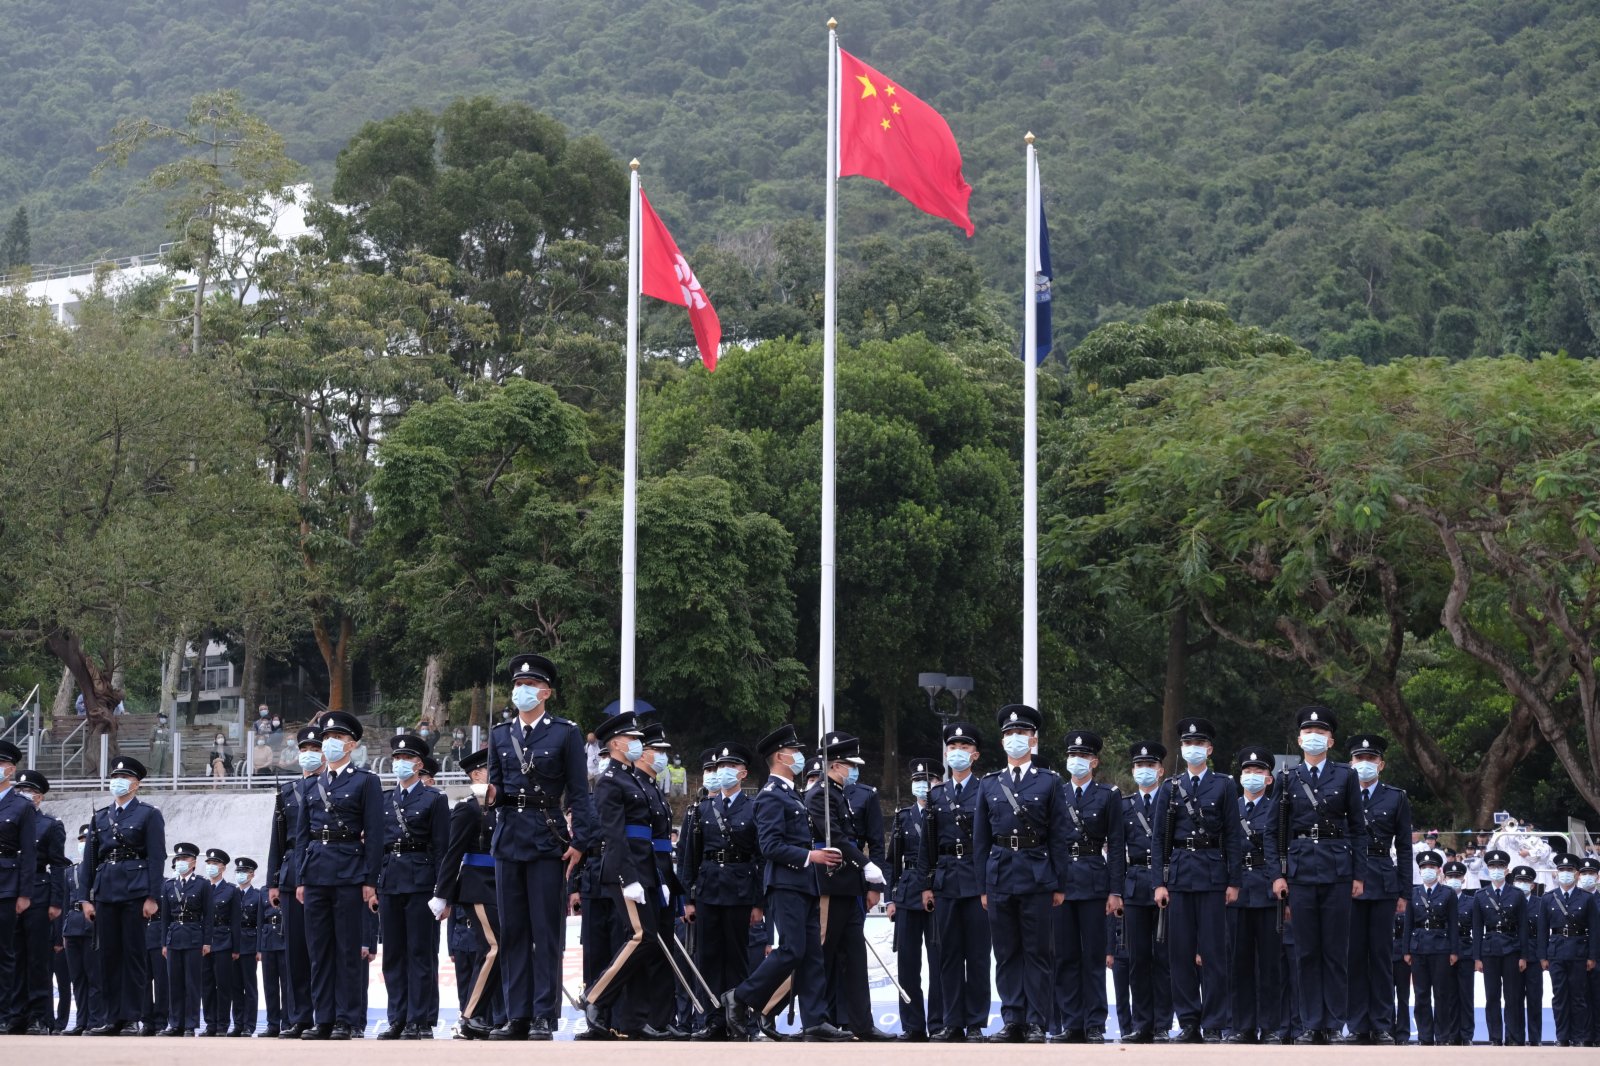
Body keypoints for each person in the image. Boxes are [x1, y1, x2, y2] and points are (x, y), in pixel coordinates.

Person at [485, 653, 596, 1041]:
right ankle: (517, 1014)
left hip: (548, 839)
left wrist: (581, 841)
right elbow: (496, 791)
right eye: (518, 685)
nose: (522, 691)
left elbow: (579, 793)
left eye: (530, 685)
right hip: (508, 839)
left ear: (546, 692)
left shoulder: (564, 733)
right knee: (513, 930)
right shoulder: (500, 734)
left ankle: (544, 1015)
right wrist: (488, 795)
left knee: (545, 931)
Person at [721, 722, 852, 1042]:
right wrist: (812, 856)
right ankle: (740, 996)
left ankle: (815, 1020)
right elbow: (770, 846)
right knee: (792, 950)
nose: (799, 757)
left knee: (812, 955)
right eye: (794, 751)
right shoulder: (770, 796)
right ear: (780, 756)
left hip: (805, 884)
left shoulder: (791, 795)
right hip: (785, 883)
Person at [973, 704, 1071, 1044]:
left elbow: (1059, 836)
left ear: (1033, 740)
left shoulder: (1050, 781)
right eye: (1010, 733)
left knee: (1037, 952)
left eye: (1022, 733)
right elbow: (980, 840)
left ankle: (1036, 1021)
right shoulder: (990, 783)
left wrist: (1059, 882)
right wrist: (982, 886)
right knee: (1006, 953)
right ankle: (1012, 1018)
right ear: (1003, 742)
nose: (1015, 738)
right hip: (1000, 874)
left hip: (1037, 875)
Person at [1270, 706, 1368, 1045]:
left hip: (1337, 870)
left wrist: (1358, 873)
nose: (1314, 737)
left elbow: (1358, 828)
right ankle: (1311, 1023)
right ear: (1299, 740)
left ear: (1331, 740)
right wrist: (1278, 875)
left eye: (1321, 732)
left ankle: (1334, 1023)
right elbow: (1273, 831)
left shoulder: (1346, 776)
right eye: (1308, 732)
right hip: (1299, 872)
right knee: (1307, 951)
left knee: (1335, 951)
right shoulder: (1286, 778)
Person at [576, 710, 675, 1039]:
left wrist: (656, 877)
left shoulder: (633, 779)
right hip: (626, 869)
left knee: (645, 940)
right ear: (616, 744)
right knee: (640, 937)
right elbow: (614, 835)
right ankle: (595, 997)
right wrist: (627, 877)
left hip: (645, 867)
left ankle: (631, 1017)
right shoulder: (609, 781)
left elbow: (648, 834)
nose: (637, 744)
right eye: (632, 739)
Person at [294, 710, 384, 1040]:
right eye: (327, 738)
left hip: (349, 871)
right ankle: (324, 1018)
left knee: (347, 950)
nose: (330, 743)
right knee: (318, 951)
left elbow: (375, 834)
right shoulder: (313, 784)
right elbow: (302, 835)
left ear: (352, 744)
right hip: (316, 872)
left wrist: (370, 880)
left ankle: (346, 1018)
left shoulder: (366, 781)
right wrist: (300, 878)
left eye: (337, 738)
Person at [1154, 717, 1244, 1043]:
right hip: (1179, 876)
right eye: (1187, 743)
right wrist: (1159, 882)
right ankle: (1189, 1021)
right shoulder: (1170, 787)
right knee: (1180, 954)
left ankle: (1215, 1022)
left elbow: (1233, 835)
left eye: (1198, 743)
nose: (1192, 748)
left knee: (1214, 953)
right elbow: (1159, 839)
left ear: (1209, 749)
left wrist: (1234, 881)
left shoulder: (1224, 785)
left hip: (1212, 875)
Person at [808, 732, 889, 1041]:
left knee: (855, 958)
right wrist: (865, 863)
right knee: (822, 954)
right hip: (830, 882)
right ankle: (815, 1019)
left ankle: (862, 1024)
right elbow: (837, 838)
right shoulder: (820, 794)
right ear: (836, 764)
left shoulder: (838, 793)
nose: (853, 770)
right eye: (849, 765)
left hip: (849, 884)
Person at [678, 744, 761, 1041]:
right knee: (709, 957)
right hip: (708, 889)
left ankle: (739, 1019)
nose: (724, 771)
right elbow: (690, 856)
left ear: (743, 773)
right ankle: (712, 1020)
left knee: (737, 957)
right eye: (721, 766)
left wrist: (758, 902)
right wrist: (688, 899)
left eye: (731, 766)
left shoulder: (753, 807)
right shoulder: (702, 809)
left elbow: (760, 856)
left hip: (740, 889)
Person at [376, 733, 451, 1040]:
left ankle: (418, 1019)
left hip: (421, 882)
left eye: (406, 758)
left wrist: (442, 893)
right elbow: (378, 846)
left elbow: (442, 849)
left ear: (419, 764)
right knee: (393, 954)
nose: (400, 763)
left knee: (420, 953)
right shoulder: (384, 799)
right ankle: (397, 1017)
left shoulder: (434, 799)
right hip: (390, 880)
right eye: (397, 758)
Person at [1050, 729, 1123, 1043]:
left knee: (1093, 957)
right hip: (1063, 882)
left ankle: (1094, 1023)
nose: (1076, 760)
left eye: (1082, 755)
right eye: (1072, 755)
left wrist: (1115, 890)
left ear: (1094, 761)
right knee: (1065, 956)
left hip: (1094, 880)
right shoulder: (1056, 792)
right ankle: (1072, 1023)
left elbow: (1116, 846)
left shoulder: (1108, 795)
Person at [919, 721, 990, 1043]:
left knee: (977, 956)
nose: (957, 752)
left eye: (964, 747)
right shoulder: (936, 794)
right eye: (952, 747)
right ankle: (952, 1022)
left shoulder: (986, 789)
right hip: (946, 880)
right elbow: (928, 844)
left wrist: (989, 884)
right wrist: (926, 884)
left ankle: (975, 1022)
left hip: (976, 881)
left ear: (975, 754)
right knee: (947, 955)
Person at [83, 754, 164, 1035]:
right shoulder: (100, 816)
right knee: (108, 956)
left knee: (133, 955)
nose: (118, 781)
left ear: (136, 784)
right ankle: (111, 1017)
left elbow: (156, 858)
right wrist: (84, 898)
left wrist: (153, 897)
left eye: (124, 777)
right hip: (105, 890)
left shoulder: (149, 814)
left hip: (135, 890)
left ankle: (130, 1017)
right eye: (115, 777)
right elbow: (90, 860)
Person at [1345, 733, 1412, 1044]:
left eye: (1371, 759)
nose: (1365, 763)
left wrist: (1405, 892)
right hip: (1350, 882)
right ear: (1351, 763)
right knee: (1354, 957)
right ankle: (1358, 1024)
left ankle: (1382, 1024)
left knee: (1382, 957)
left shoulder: (1395, 797)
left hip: (1384, 881)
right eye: (1359, 759)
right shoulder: (1341, 795)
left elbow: (1405, 848)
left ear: (1381, 764)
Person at [435, 747, 503, 1039]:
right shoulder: (468, 808)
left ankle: (487, 1016)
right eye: (491, 770)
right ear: (476, 775)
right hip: (478, 886)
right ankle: (470, 1016)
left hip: (503, 886)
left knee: (495, 950)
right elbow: (453, 854)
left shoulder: (503, 806)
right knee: (493, 947)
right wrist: (442, 894)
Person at [266, 725, 321, 1038]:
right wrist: (272, 880)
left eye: (315, 749)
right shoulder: (286, 792)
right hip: (290, 874)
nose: (309, 755)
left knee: (321, 950)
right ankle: (299, 1016)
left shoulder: (331, 786)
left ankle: (326, 1015)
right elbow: (277, 838)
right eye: (304, 750)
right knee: (295, 951)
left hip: (323, 870)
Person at [1226, 745, 1282, 1045]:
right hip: (1237, 892)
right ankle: (1243, 1026)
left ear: (1269, 778)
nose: (1252, 775)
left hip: (1267, 890)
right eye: (1247, 771)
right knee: (1239, 962)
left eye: (1258, 771)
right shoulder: (1230, 808)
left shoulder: (1277, 808)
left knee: (1270, 964)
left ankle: (1270, 1026)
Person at [1119, 740, 1173, 1043]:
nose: (1144, 770)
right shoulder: (1124, 805)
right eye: (1139, 765)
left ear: (1161, 770)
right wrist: (1116, 890)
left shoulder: (1172, 802)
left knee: (1163, 958)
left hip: (1166, 883)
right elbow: (1118, 851)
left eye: (1150, 765)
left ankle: (1163, 1024)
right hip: (1136, 884)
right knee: (1138, 959)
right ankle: (1142, 1024)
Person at [886, 757, 942, 1042]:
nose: (922, 786)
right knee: (908, 964)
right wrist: (890, 898)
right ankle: (913, 1025)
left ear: (938, 783)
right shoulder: (903, 816)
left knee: (939, 962)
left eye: (928, 780)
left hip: (936, 894)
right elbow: (892, 861)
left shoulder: (943, 813)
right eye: (918, 781)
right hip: (907, 894)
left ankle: (939, 1023)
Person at [10, 768, 66, 1035]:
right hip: (11, 891)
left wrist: (56, 901)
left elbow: (58, 865)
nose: (23, 795)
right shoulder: (8, 819)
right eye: (20, 790)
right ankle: (15, 1013)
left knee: (37, 958)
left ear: (39, 797)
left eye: (29, 791)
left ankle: (39, 1016)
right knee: (13, 956)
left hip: (39, 894)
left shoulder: (50, 825)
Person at [1404, 849, 1459, 1046]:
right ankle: (1425, 1036)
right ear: (1420, 870)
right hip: (1419, 947)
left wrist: (1454, 950)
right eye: (1424, 867)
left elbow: (1453, 924)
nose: (1428, 870)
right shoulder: (1413, 893)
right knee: (1421, 994)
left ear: (1438, 870)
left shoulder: (1448, 893)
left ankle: (1442, 1036)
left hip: (1441, 946)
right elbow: (1408, 924)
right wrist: (1406, 950)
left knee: (1441, 994)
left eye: (1432, 867)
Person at [1537, 853, 1593, 1047]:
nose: (1565, 873)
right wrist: (1542, 956)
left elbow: (1594, 930)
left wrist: (1592, 956)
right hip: (1556, 952)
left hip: (1578, 951)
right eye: (1562, 870)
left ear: (1577, 874)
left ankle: (1579, 1036)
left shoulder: (1586, 898)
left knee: (1578, 996)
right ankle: (1562, 1036)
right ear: (1556, 873)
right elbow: (1542, 930)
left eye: (1569, 870)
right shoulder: (1548, 898)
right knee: (1559, 996)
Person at [1472, 848, 1526, 1046]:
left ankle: (1513, 1037)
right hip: (1490, 949)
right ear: (1487, 869)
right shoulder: (1480, 895)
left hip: (1511, 947)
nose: (1496, 869)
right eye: (1492, 866)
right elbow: (1477, 928)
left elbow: (1523, 927)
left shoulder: (1517, 894)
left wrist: (1523, 955)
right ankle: (1495, 1037)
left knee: (1512, 996)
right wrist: (1477, 957)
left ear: (1507, 869)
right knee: (1492, 996)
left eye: (1500, 866)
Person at [158, 843, 211, 1036]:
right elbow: (165, 917)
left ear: (193, 862)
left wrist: (207, 941)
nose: (181, 862)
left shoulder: (202, 884)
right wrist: (164, 942)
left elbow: (208, 915)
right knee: (174, 982)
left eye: (185, 859)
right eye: (178, 859)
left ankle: (190, 1024)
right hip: (174, 937)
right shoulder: (169, 885)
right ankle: (175, 1024)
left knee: (192, 983)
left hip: (194, 936)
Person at [63, 823, 102, 1034]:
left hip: (92, 926)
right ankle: (81, 1021)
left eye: (86, 841)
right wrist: (62, 932)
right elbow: (64, 903)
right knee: (77, 978)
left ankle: (95, 1021)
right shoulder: (71, 871)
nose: (83, 844)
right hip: (72, 926)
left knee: (94, 977)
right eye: (81, 841)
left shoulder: (100, 869)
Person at [200, 847, 241, 1036]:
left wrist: (236, 948)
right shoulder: (202, 888)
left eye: (215, 863)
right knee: (206, 986)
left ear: (223, 867)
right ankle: (210, 1024)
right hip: (204, 942)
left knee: (223, 985)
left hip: (223, 941)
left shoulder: (231, 890)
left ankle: (222, 1024)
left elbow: (236, 921)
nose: (211, 866)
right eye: (209, 863)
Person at [1511, 866, 1544, 1045]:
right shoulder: (1509, 900)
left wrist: (1543, 956)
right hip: (1513, 955)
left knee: (1534, 999)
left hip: (1534, 956)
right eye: (1519, 881)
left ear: (1532, 885)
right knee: (1514, 999)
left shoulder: (1540, 903)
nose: (1522, 884)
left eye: (1526, 881)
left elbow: (1544, 932)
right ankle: (1516, 1038)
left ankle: (1535, 1039)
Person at [232, 858, 263, 1036]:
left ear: (252, 875)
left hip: (250, 945)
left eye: (244, 872)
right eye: (238, 872)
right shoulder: (232, 894)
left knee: (249, 986)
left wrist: (259, 949)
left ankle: (249, 1025)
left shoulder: (257, 895)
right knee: (235, 986)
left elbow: (259, 923)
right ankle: (238, 1024)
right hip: (233, 945)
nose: (240, 875)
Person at [258, 887, 287, 1037]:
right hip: (268, 940)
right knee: (270, 986)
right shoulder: (264, 891)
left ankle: (287, 1023)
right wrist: (259, 948)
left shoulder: (288, 888)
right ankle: (273, 1024)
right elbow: (259, 921)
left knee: (287, 986)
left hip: (284, 939)